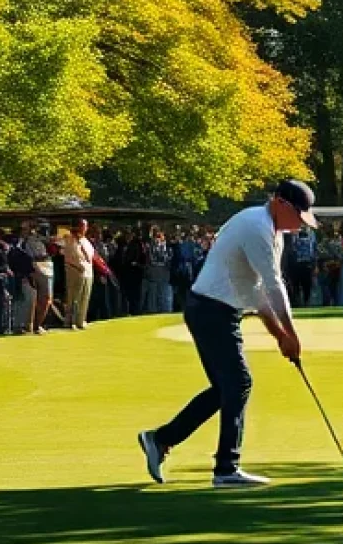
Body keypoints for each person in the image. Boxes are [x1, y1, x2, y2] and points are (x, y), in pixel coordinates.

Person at [138, 180, 314, 489]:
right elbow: (273, 287)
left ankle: (161, 438)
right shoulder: (255, 227)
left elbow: (258, 295)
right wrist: (291, 333)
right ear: (280, 203)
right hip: (210, 310)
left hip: (219, 311)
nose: (300, 224)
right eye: (298, 215)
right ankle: (226, 469)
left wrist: (281, 337)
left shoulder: (275, 233)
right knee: (239, 382)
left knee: (225, 389)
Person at [61, 217, 95, 330]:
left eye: (86, 226)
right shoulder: (69, 239)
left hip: (88, 271)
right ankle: (71, 321)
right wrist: (77, 266)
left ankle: (81, 320)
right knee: (74, 298)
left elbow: (90, 257)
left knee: (85, 297)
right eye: (83, 225)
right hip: (75, 271)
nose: (85, 228)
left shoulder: (86, 241)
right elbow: (69, 256)